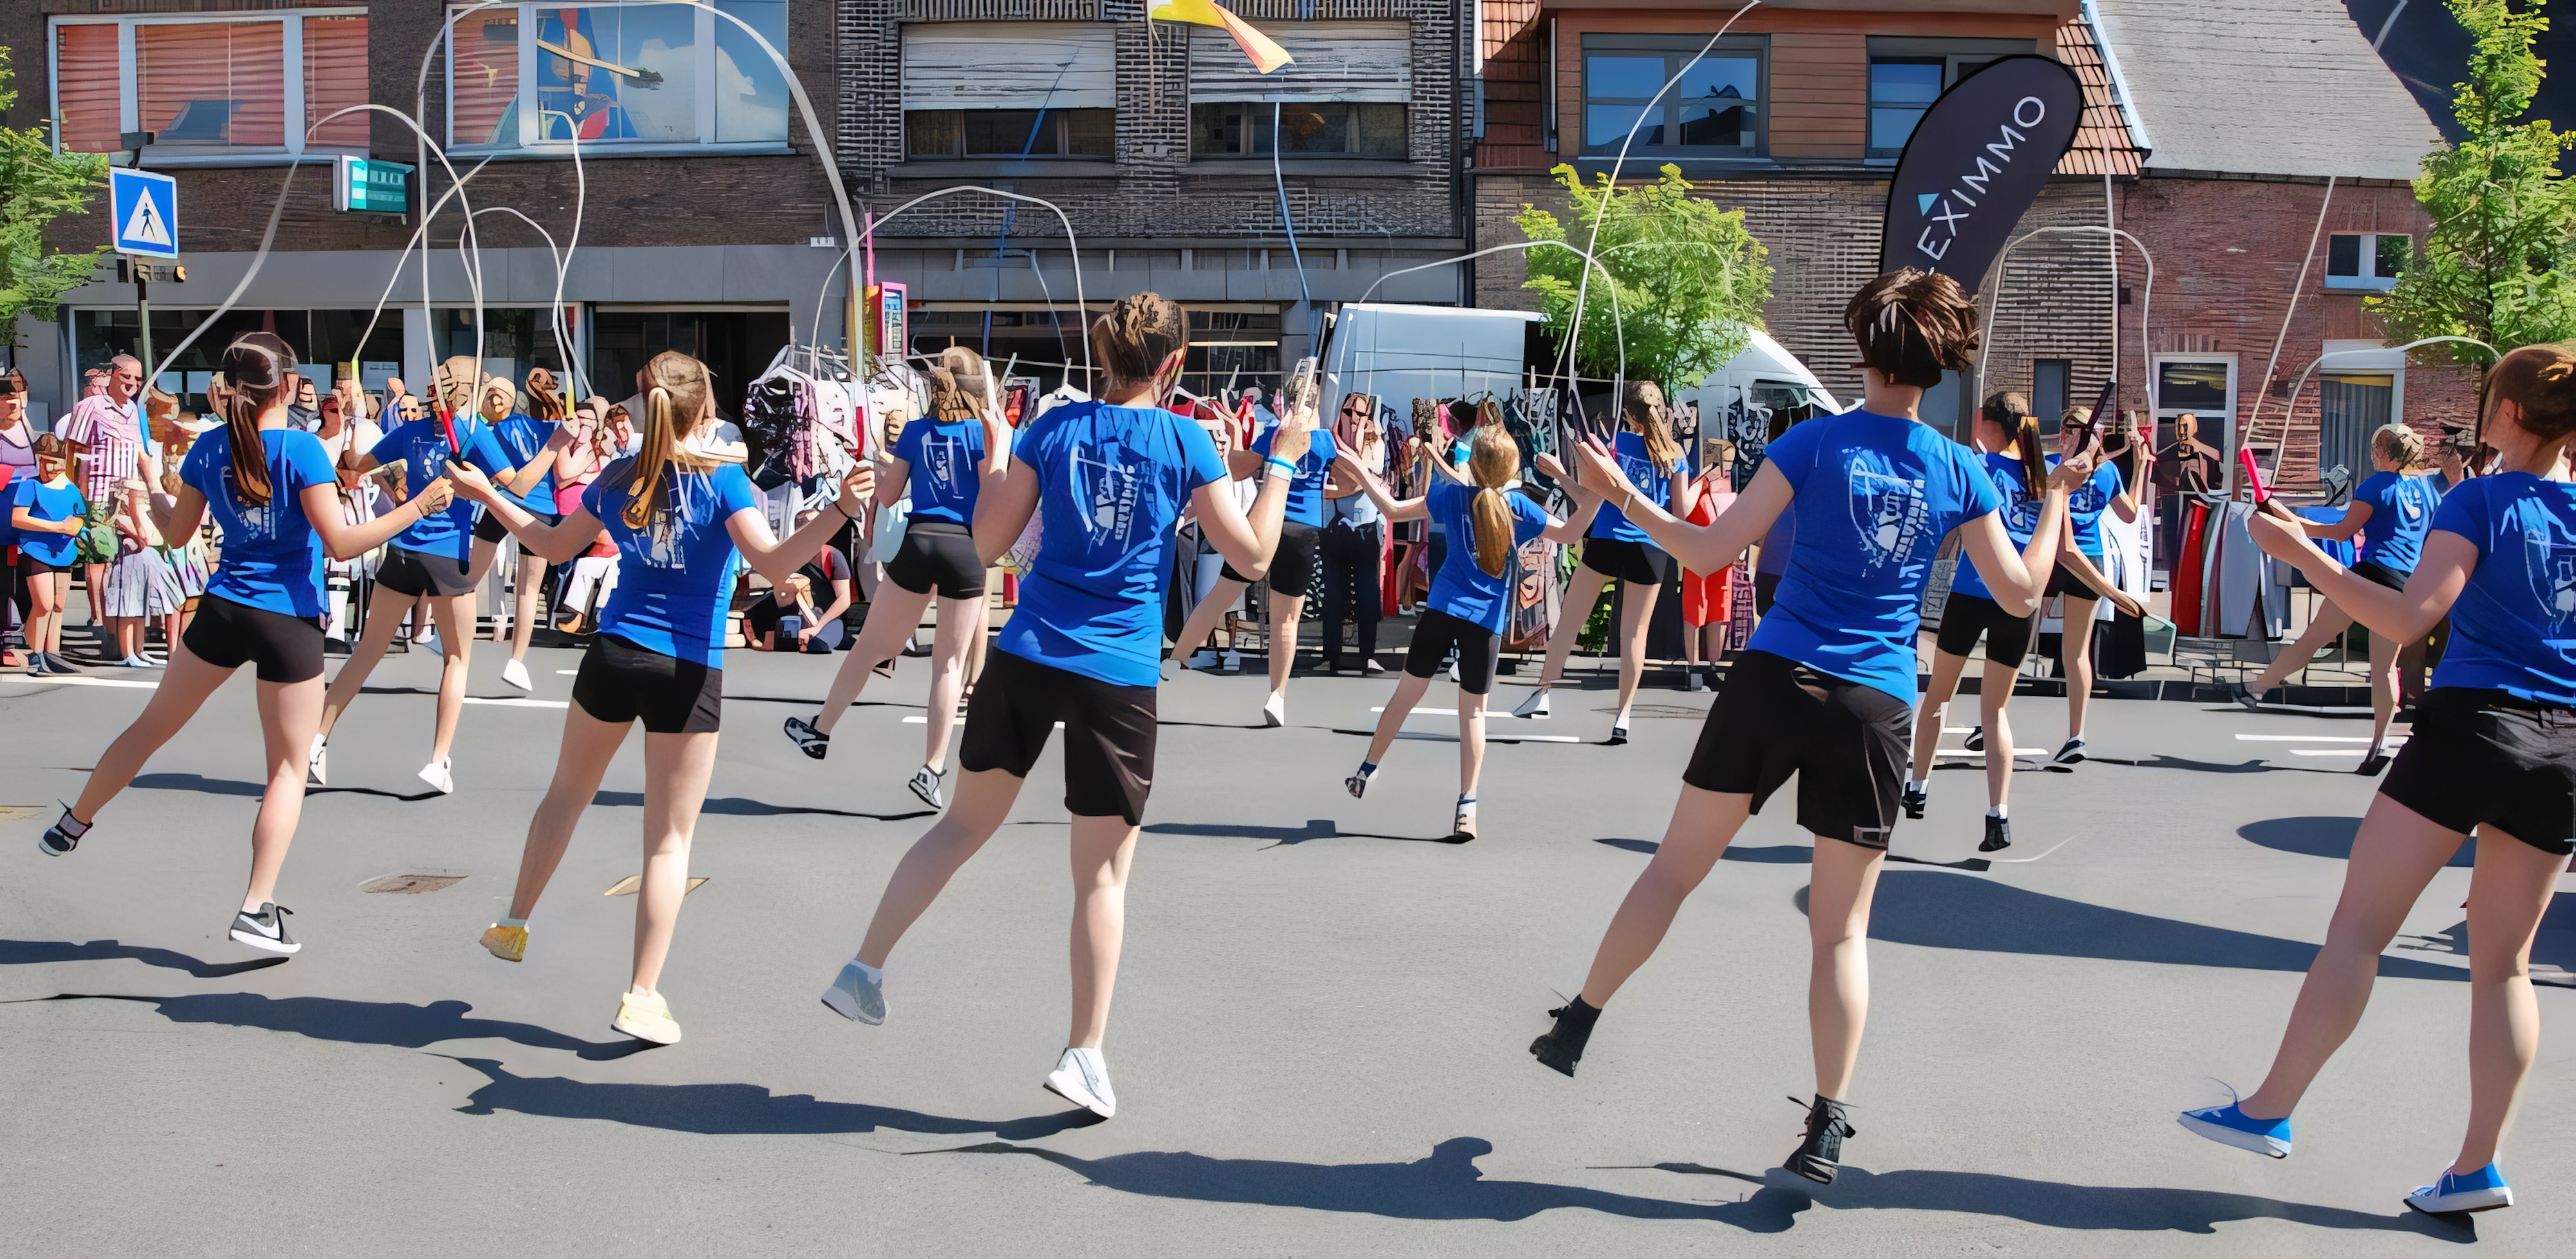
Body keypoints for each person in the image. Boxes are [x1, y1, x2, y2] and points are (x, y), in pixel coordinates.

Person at [1528, 270, 2084, 1184]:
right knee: (1840, 931)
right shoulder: (1959, 467)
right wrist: (2056, 496)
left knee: (1674, 867)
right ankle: (1827, 1121)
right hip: (1874, 700)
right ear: (1941, 363)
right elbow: (2025, 591)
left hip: (1774, 676)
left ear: (1862, 352)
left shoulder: (1814, 442)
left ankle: (1581, 1017)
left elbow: (1708, 550)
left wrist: (1622, 493)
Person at [815, 294, 1311, 1119]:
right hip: (1116, 672)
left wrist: (1004, 462)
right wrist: (1285, 460)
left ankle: (862, 967)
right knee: (1102, 875)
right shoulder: (1187, 438)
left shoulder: (1054, 428)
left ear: (1102, 352)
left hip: (1030, 649)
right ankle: (1083, 1052)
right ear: (1173, 365)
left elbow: (985, 545)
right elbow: (1253, 555)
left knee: (960, 824)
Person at [2184, 342, 2576, 1216]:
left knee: (2358, 931)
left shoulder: (2475, 497)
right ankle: (2478, 1163)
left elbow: (2407, 614)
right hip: (2566, 746)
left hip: (2476, 724)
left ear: (2504, 414)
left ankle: (2269, 1110)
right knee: (2504, 966)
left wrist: (2299, 552)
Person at [451, 350, 873, 1046]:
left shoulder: (619, 473)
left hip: (614, 654)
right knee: (669, 838)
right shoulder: (723, 480)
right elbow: (773, 563)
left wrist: (487, 496)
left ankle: (514, 922)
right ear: (703, 406)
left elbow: (553, 546)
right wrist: (840, 509)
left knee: (565, 794)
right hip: (687, 667)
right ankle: (641, 994)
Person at [37, 333, 453, 954]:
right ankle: (257, 908)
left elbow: (175, 536)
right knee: (287, 768)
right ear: (286, 384)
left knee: (151, 726)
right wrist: (420, 504)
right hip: (288, 618)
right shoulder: (302, 450)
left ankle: (74, 822)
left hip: (226, 607)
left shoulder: (209, 446)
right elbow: (341, 542)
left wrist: (152, 487)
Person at [1340, 426, 1599, 838]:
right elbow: (1571, 534)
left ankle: (1366, 770)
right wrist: (1594, 491)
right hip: (1486, 623)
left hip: (1442, 610)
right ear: (1514, 466)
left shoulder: (1452, 495)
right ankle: (1467, 807)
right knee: (1474, 715)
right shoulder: (1521, 507)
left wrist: (1357, 468)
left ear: (1472, 464)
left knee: (1406, 694)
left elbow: (1391, 509)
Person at [784, 350, 999, 808]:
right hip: (966, 547)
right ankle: (932, 771)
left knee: (870, 647)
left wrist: (885, 466)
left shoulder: (918, 431)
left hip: (920, 541)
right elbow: (993, 494)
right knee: (948, 665)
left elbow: (887, 495)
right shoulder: (982, 434)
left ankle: (820, 730)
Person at [310, 357, 532, 793]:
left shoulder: (413, 431)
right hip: (448, 556)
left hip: (403, 550)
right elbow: (518, 486)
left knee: (367, 651)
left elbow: (354, 463)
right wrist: (553, 445)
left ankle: (316, 739)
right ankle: (438, 760)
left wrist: (350, 421)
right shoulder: (472, 434)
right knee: (456, 659)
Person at [2231, 424, 2441, 773]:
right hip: (2406, 583)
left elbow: (2342, 533)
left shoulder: (2376, 486)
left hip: (2371, 574)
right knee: (2384, 669)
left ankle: (2258, 686)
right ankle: (2378, 746)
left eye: (2379, 449)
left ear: (2389, 452)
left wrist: (2290, 520)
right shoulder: (2427, 489)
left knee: (2315, 637)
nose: (2374, 454)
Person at [1514, 381, 1698, 743]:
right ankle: (1623, 717)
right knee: (1634, 634)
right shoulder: (1676, 455)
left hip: (1608, 538)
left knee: (1570, 619)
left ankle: (1543, 693)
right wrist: (1698, 483)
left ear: (1627, 413)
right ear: (1661, 409)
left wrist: (1560, 475)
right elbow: (1681, 512)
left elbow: (1589, 497)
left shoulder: (1613, 446)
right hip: (1651, 545)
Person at [1906, 393, 2051, 852]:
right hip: (2017, 601)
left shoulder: (1978, 466)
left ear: (1986, 424)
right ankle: (1999, 814)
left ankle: (1918, 785)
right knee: (1995, 711)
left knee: (1939, 692)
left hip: (1971, 592)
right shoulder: (2040, 479)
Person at [1166, 374, 1341, 727]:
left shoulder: (1274, 434)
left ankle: (1173, 665)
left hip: (1263, 524)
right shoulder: (1325, 441)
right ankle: (1277, 696)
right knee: (1285, 620)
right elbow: (1349, 482)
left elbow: (1237, 469)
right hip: (1301, 531)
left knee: (1218, 596)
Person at [2034, 408, 2144, 767]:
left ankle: (1988, 722)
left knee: (2018, 637)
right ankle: (2076, 735)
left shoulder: (2051, 463)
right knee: (2077, 650)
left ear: (2068, 432)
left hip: (2052, 553)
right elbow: (2130, 514)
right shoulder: (2108, 471)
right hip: (2091, 560)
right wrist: (2141, 466)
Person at [471, 368, 572, 691]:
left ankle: (446, 635)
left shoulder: (498, 428)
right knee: (529, 591)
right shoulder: (558, 428)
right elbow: (566, 471)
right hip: (541, 510)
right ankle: (517, 661)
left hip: (505, 502)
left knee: (472, 574)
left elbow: (486, 465)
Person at [59, 354, 145, 630]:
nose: (133, 383)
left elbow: (138, 452)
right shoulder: (89, 406)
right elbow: (72, 450)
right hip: (98, 493)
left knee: (126, 555)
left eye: (137, 377)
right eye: (126, 376)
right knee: (99, 555)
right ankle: (98, 616)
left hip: (128, 495)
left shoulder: (133, 409)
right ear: (112, 376)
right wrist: (75, 492)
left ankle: (118, 617)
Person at [1317, 393, 1388, 674]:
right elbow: (1330, 481)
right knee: (1334, 594)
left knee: (1367, 594)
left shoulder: (1375, 444)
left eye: (1362, 414)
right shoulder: (1330, 444)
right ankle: (1330, 656)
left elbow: (1364, 477)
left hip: (1365, 530)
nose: (1355, 419)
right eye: (1350, 412)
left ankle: (1366, 656)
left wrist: (1350, 474)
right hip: (1335, 528)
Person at [12, 433, 90, 674]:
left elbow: (79, 519)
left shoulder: (71, 489)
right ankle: (35, 653)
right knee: (43, 604)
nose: (49, 468)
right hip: (37, 551)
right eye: (44, 461)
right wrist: (58, 527)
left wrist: (76, 530)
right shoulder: (30, 485)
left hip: (64, 552)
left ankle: (52, 652)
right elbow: (18, 519)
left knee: (58, 605)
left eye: (54, 462)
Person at [746, 509, 853, 652]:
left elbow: (844, 600)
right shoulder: (789, 555)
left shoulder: (832, 556)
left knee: (817, 645)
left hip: (828, 622)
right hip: (796, 617)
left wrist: (818, 627)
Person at [1, 368, 35, 666]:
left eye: (17, 398)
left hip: (24, 528)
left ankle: (38, 646)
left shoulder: (28, 432)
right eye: (6, 398)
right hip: (3, 527)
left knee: (24, 586)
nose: (13, 403)